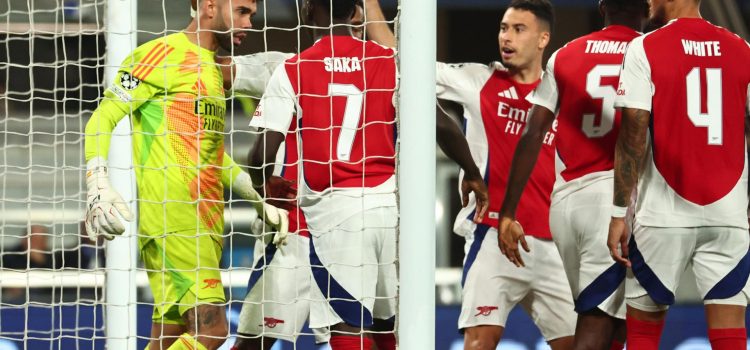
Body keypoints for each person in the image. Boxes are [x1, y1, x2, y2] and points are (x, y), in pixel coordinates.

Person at [83, 1, 288, 349]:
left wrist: (259, 203)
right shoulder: (157, 55)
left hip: (203, 223)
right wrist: (98, 183)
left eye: (251, 14)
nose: (250, 23)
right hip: (175, 218)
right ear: (210, 6)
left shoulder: (212, 69)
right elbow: (102, 118)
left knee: (169, 337)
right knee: (213, 331)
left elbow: (212, 154)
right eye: (241, 11)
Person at [246, 0, 403, 348]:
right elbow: (439, 121)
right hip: (383, 210)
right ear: (356, 12)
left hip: (326, 218)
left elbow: (258, 155)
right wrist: (470, 171)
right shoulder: (389, 61)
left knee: (345, 328)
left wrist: (263, 187)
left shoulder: (292, 68)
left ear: (305, 9)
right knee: (384, 328)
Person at [497, 1, 648, 349]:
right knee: (596, 324)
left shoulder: (566, 54)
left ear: (601, 8)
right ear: (646, 7)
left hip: (565, 205)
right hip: (614, 202)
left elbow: (533, 133)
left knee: (613, 323)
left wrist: (508, 211)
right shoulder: (649, 53)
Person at [607, 0, 750, 349]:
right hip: (728, 214)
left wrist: (618, 213)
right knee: (730, 332)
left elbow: (632, 135)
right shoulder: (742, 49)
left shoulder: (644, 47)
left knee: (642, 331)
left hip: (662, 214)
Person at [435, 1, 576, 349]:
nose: (506, 37)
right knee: (479, 342)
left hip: (551, 244)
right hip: (491, 237)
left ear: (543, 39)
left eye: (518, 29)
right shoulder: (478, 81)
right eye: (503, 28)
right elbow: (404, 61)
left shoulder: (563, 92)